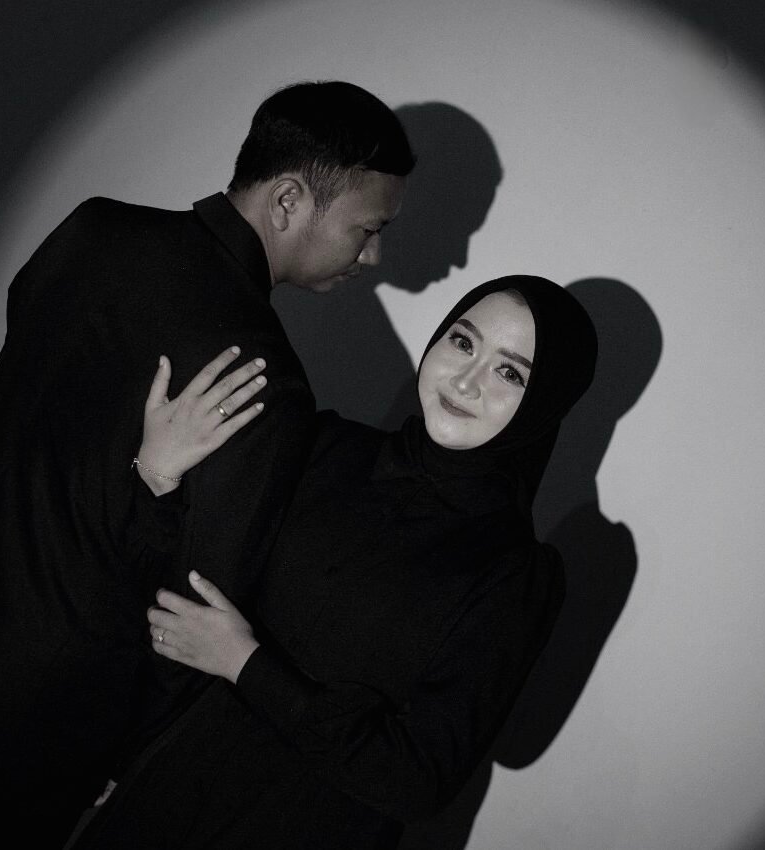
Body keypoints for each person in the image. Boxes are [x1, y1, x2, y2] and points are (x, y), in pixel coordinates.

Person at [0, 81, 412, 847]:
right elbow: (191, 610)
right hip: (23, 730)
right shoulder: (260, 378)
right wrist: (124, 752)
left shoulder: (92, 231)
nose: (373, 255)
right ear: (289, 200)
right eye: (368, 228)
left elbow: (25, 396)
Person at [73, 275, 598, 849]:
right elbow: (184, 593)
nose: (467, 380)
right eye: (463, 342)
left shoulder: (516, 573)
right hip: (161, 798)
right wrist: (159, 477)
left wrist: (246, 663)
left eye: (510, 373)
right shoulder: (326, 446)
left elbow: (418, 781)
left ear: (545, 403)